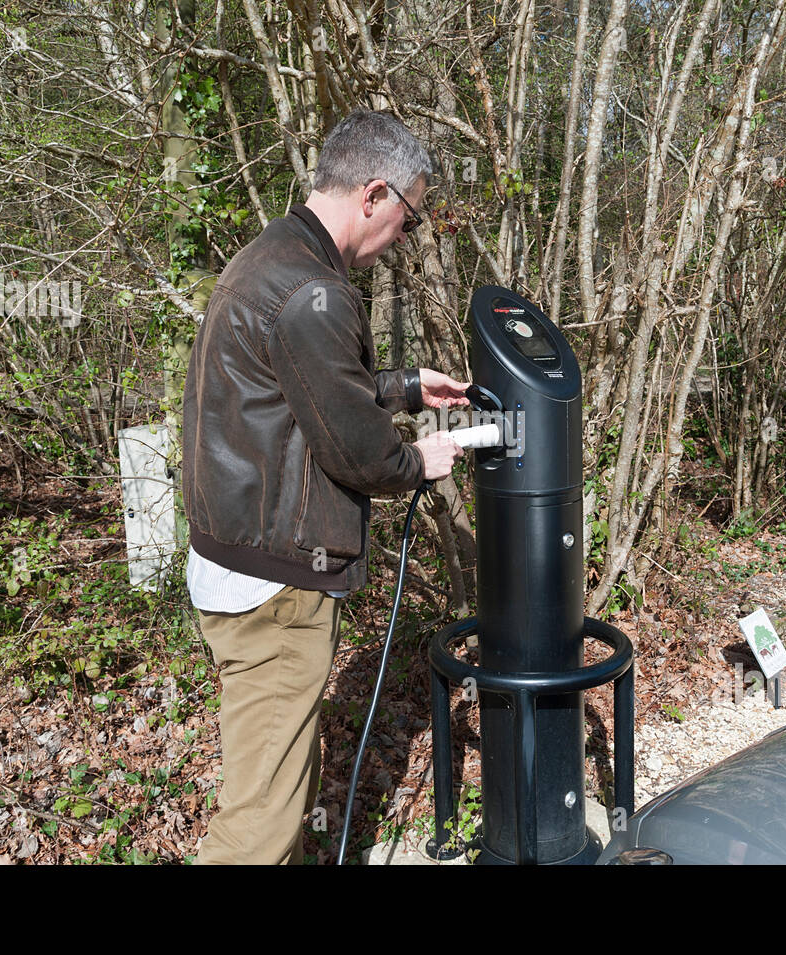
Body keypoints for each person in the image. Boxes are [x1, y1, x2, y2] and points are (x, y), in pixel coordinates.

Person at [181, 110, 468, 865]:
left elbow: (307, 393)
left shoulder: (272, 259)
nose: (403, 242)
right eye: (407, 221)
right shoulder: (314, 288)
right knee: (258, 826)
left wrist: (407, 387)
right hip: (274, 584)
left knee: (280, 789)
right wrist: (417, 463)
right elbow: (354, 448)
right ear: (374, 194)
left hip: (238, 559)